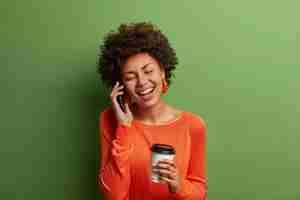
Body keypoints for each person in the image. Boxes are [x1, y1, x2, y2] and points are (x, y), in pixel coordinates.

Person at [97, 22, 207, 200]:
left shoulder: (193, 125)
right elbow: (113, 195)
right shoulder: (110, 119)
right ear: (121, 85)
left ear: (162, 72)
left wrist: (179, 185)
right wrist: (124, 126)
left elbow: (199, 193)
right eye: (130, 77)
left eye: (148, 71)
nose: (142, 82)